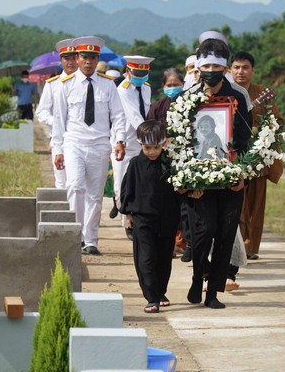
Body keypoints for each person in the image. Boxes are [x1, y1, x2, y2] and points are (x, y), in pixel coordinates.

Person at [186, 35, 252, 309]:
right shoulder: (187, 98)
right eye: (206, 68)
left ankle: (212, 293)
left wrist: (242, 173)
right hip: (199, 181)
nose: (211, 74)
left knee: (225, 234)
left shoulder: (238, 96)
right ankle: (197, 277)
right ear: (198, 68)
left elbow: (246, 140)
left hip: (230, 179)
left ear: (224, 69)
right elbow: (181, 142)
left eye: (217, 69)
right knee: (204, 232)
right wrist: (188, 179)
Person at [51, 36, 127, 255]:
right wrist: (58, 149)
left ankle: (91, 239)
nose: (88, 62)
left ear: (97, 60)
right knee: (75, 186)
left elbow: (118, 116)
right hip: (74, 142)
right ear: (76, 58)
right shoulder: (64, 85)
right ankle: (75, 235)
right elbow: (59, 120)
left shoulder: (107, 85)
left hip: (100, 144)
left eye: (93, 58)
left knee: (95, 194)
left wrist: (119, 140)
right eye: (84, 57)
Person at [119, 120, 193, 313]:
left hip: (167, 217)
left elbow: (179, 191)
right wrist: (128, 215)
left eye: (156, 148)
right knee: (145, 258)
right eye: (147, 147)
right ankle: (151, 297)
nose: (152, 152)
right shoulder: (135, 164)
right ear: (140, 144)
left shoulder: (170, 164)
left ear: (163, 144)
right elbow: (128, 190)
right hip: (142, 218)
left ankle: (160, 292)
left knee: (164, 257)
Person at [231, 51, 284, 260]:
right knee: (237, 204)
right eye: (236, 67)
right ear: (229, 70)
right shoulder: (225, 92)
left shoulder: (261, 92)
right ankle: (237, 247)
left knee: (256, 205)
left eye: (245, 68)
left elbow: (278, 122)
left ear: (253, 70)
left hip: (259, 159)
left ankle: (251, 248)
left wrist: (260, 129)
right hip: (234, 158)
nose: (241, 72)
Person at [111, 55, 154, 240]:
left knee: (139, 183)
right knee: (121, 182)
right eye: (137, 73)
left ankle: (134, 217)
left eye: (144, 73)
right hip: (125, 141)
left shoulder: (146, 88)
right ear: (128, 71)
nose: (141, 77)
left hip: (142, 143)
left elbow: (146, 112)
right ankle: (126, 220)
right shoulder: (123, 89)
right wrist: (151, 136)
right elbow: (134, 116)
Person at [146, 67, 186, 256]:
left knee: (184, 204)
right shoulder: (156, 107)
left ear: (183, 85)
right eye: (169, 85)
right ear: (163, 86)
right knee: (164, 205)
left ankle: (183, 243)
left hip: (184, 162)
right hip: (161, 162)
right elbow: (148, 134)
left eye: (176, 85)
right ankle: (166, 244)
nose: (172, 88)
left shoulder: (190, 105)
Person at [36, 38, 78, 189]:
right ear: (61, 60)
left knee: (79, 183)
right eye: (67, 59)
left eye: (74, 58)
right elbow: (41, 111)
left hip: (80, 138)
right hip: (60, 139)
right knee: (61, 182)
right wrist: (57, 122)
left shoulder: (85, 83)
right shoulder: (53, 84)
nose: (71, 62)